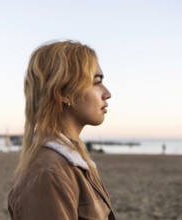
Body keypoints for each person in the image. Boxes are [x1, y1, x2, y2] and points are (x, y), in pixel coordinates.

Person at [8, 40, 116, 220]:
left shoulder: (74, 163)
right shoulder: (49, 174)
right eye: (96, 82)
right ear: (64, 93)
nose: (107, 93)